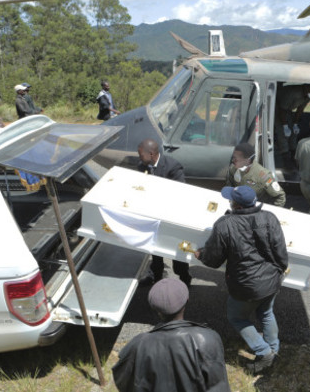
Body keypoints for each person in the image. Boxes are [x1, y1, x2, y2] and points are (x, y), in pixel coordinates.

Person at [195, 185, 288, 374]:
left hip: (246, 286)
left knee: (237, 317)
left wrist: (201, 254)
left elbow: (213, 259)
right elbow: (281, 253)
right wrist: (279, 271)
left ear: (235, 204)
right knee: (266, 313)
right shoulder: (269, 217)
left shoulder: (224, 224)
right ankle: (274, 350)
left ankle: (263, 352)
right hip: (271, 280)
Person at [112, 278, 230, 392]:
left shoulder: (138, 345)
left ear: (155, 308)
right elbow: (218, 386)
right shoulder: (208, 338)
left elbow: (124, 381)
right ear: (187, 300)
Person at [136, 138, 192, 287]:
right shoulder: (142, 167)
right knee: (155, 248)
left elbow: (180, 192)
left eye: (141, 155)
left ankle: (184, 278)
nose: (139, 158)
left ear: (152, 153)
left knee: (176, 251)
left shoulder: (173, 167)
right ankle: (155, 276)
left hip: (172, 215)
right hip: (154, 215)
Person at [226, 142, 286, 207]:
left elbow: (280, 197)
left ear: (247, 161)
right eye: (233, 157)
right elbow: (230, 186)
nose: (233, 161)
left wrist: (267, 214)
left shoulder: (264, 176)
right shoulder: (233, 168)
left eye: (236, 159)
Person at [275, 83, 310, 170]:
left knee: (293, 134)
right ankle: (286, 160)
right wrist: (284, 126)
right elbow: (282, 109)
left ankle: (294, 156)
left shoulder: (307, 95)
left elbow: (300, 109)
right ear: (306, 87)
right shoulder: (294, 92)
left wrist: (295, 124)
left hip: (287, 110)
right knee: (283, 134)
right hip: (277, 108)